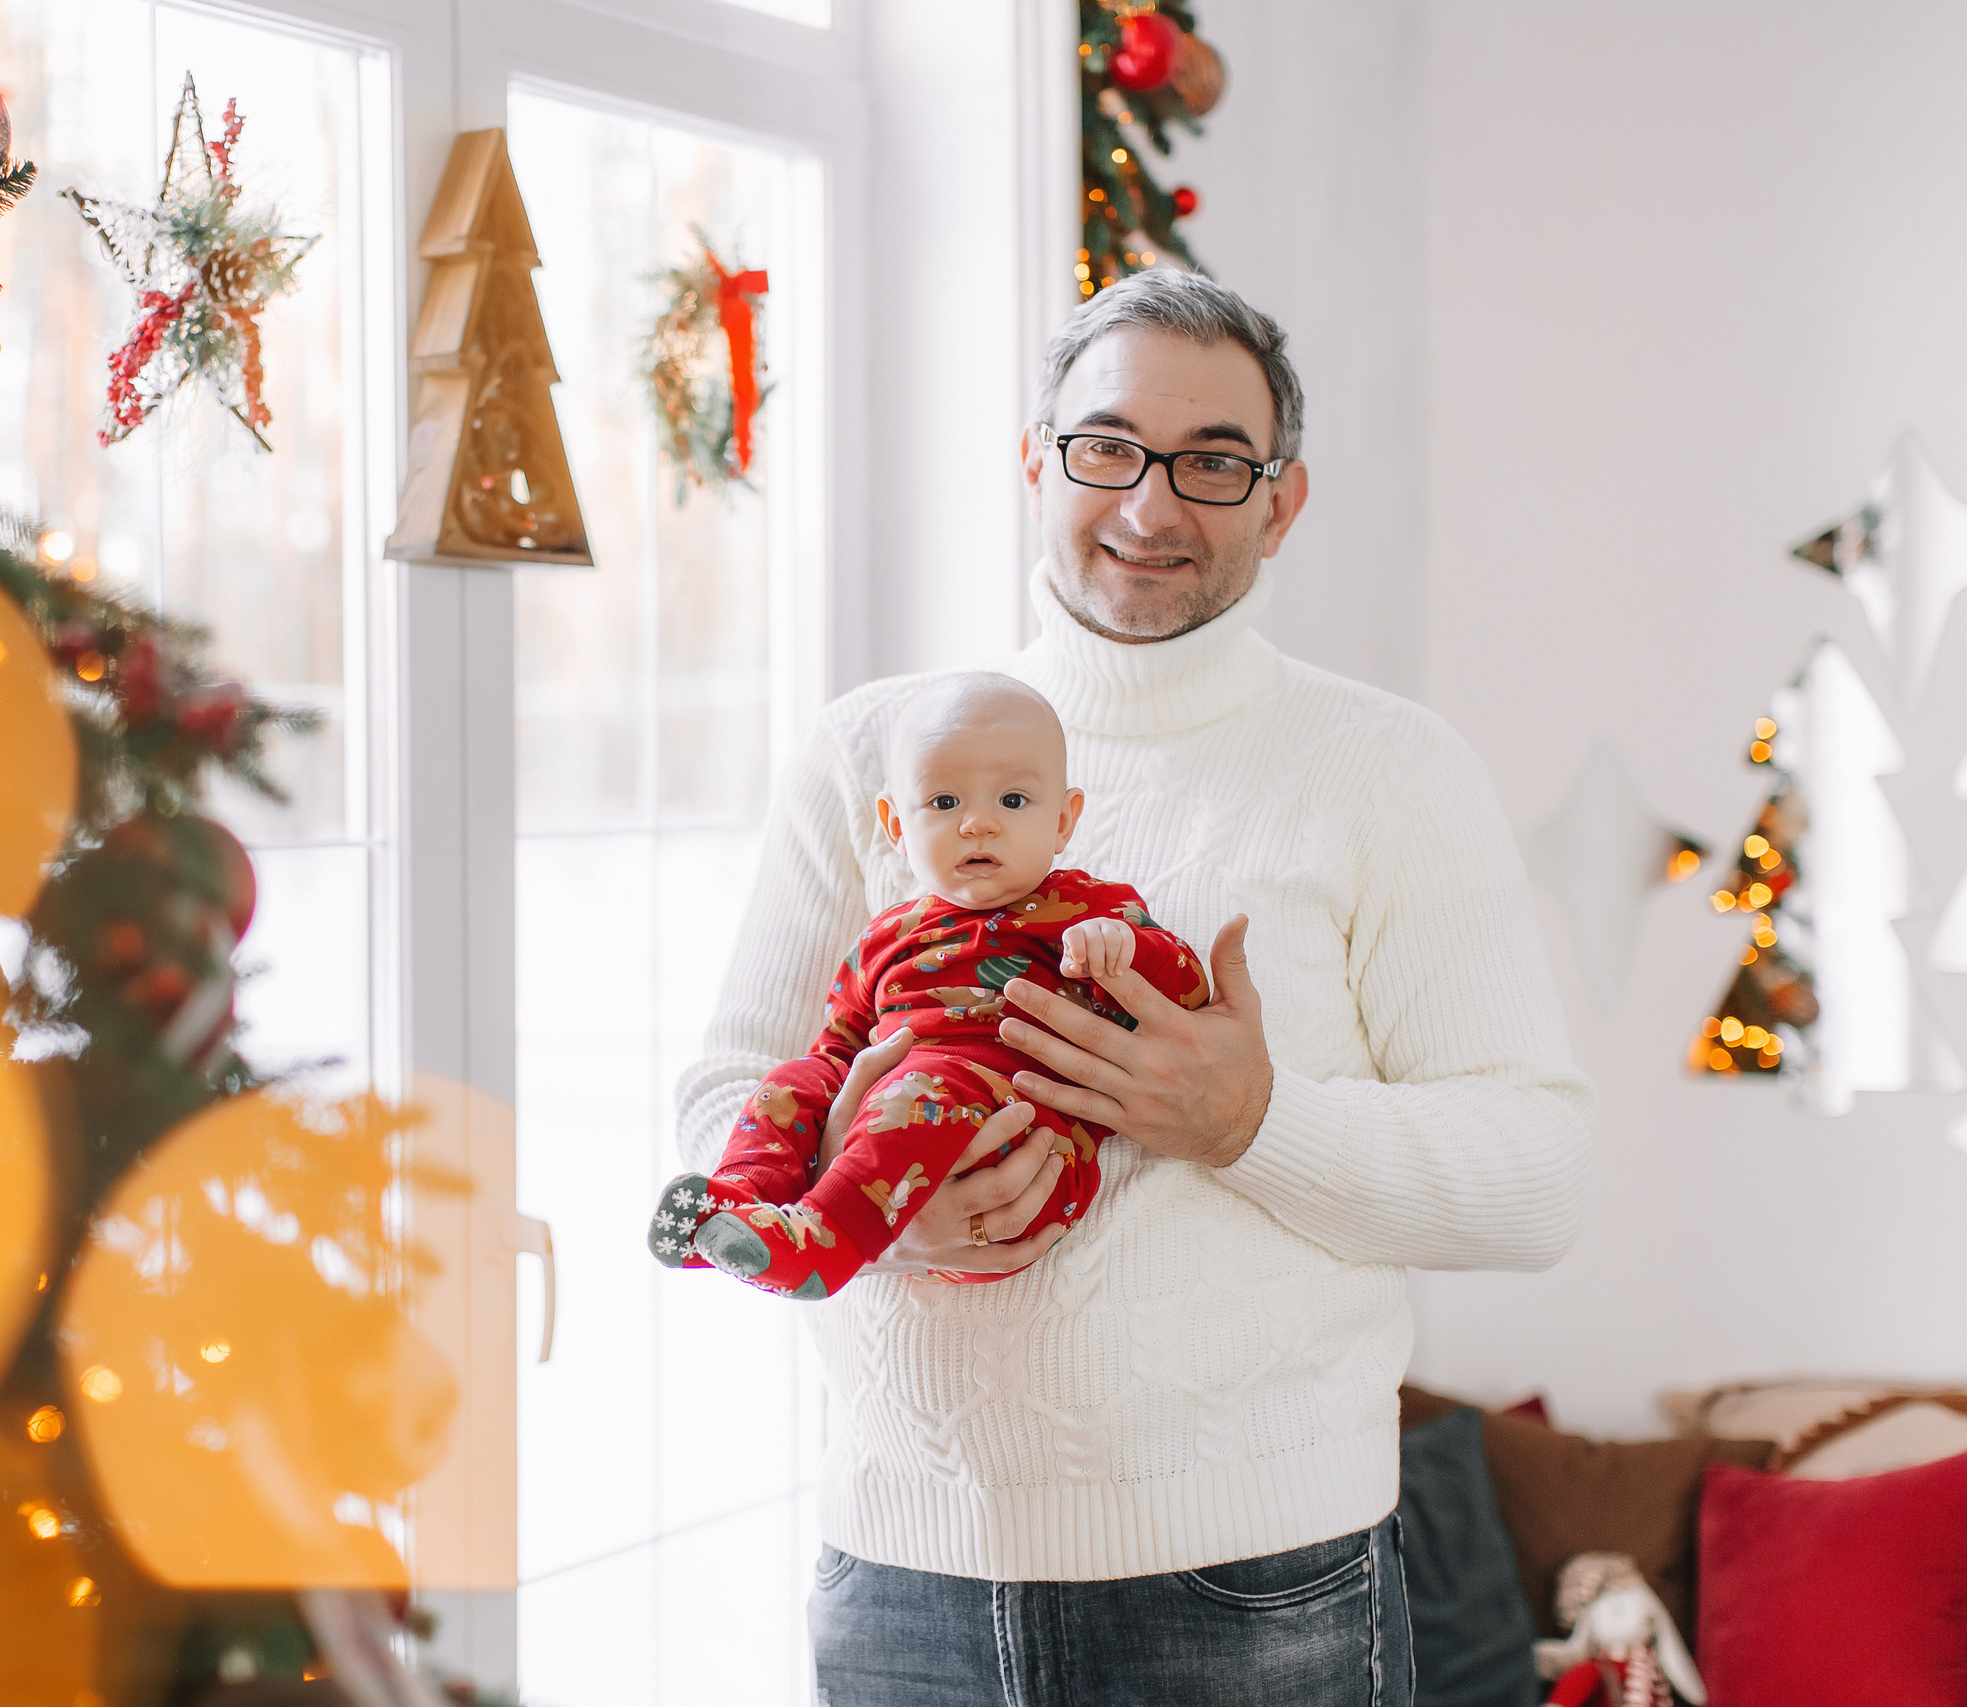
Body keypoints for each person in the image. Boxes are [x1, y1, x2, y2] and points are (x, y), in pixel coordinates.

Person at [674, 267, 1596, 1704]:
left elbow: (1536, 1180)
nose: (1153, 506)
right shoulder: (873, 753)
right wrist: (890, 1210)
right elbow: (729, 1088)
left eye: (1214, 462)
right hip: (902, 1584)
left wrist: (1250, 1118)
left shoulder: (1389, 771)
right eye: (1108, 446)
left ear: (1283, 501)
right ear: (1036, 460)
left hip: (1256, 1590)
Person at [647, 672, 1211, 1299]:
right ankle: (741, 1207)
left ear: (1064, 820)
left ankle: (822, 1246)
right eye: (944, 804)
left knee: (919, 1088)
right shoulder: (886, 936)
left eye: (1013, 802)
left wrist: (1127, 949)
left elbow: (1189, 995)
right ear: (895, 823)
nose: (977, 825)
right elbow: (839, 1051)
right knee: (793, 1080)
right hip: (899, 1142)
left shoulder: (1086, 911)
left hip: (1024, 1158)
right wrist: (824, 1108)